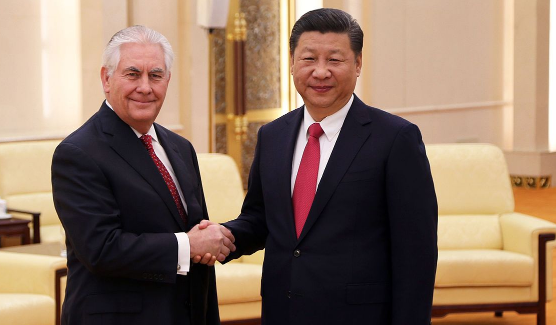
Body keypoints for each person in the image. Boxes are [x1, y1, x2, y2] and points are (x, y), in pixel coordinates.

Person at [197, 8, 438, 325]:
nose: (321, 72)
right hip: (283, 310)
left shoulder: (395, 139)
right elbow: (261, 218)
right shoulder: (273, 136)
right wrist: (223, 235)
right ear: (293, 63)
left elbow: (416, 253)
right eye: (309, 59)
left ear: (358, 63)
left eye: (335, 60)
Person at [52, 25, 234, 325]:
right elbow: (101, 249)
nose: (145, 87)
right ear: (106, 79)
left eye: (156, 75)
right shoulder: (78, 153)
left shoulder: (180, 148)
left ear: (168, 80)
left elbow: (195, 235)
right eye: (133, 74)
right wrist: (187, 246)